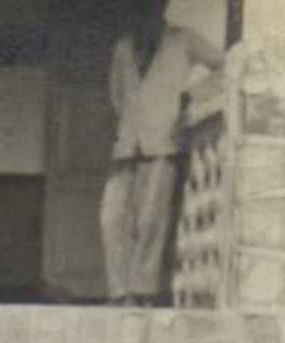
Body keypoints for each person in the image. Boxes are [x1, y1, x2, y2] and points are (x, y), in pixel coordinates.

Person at [100, 0, 224, 307]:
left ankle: (142, 291)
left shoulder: (184, 40)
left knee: (151, 219)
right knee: (110, 216)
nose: (143, 13)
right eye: (137, 8)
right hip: (127, 146)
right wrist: (131, 128)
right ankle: (119, 291)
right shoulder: (123, 49)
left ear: (161, 9)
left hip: (164, 143)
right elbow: (117, 98)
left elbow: (224, 65)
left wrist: (192, 97)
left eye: (149, 7)